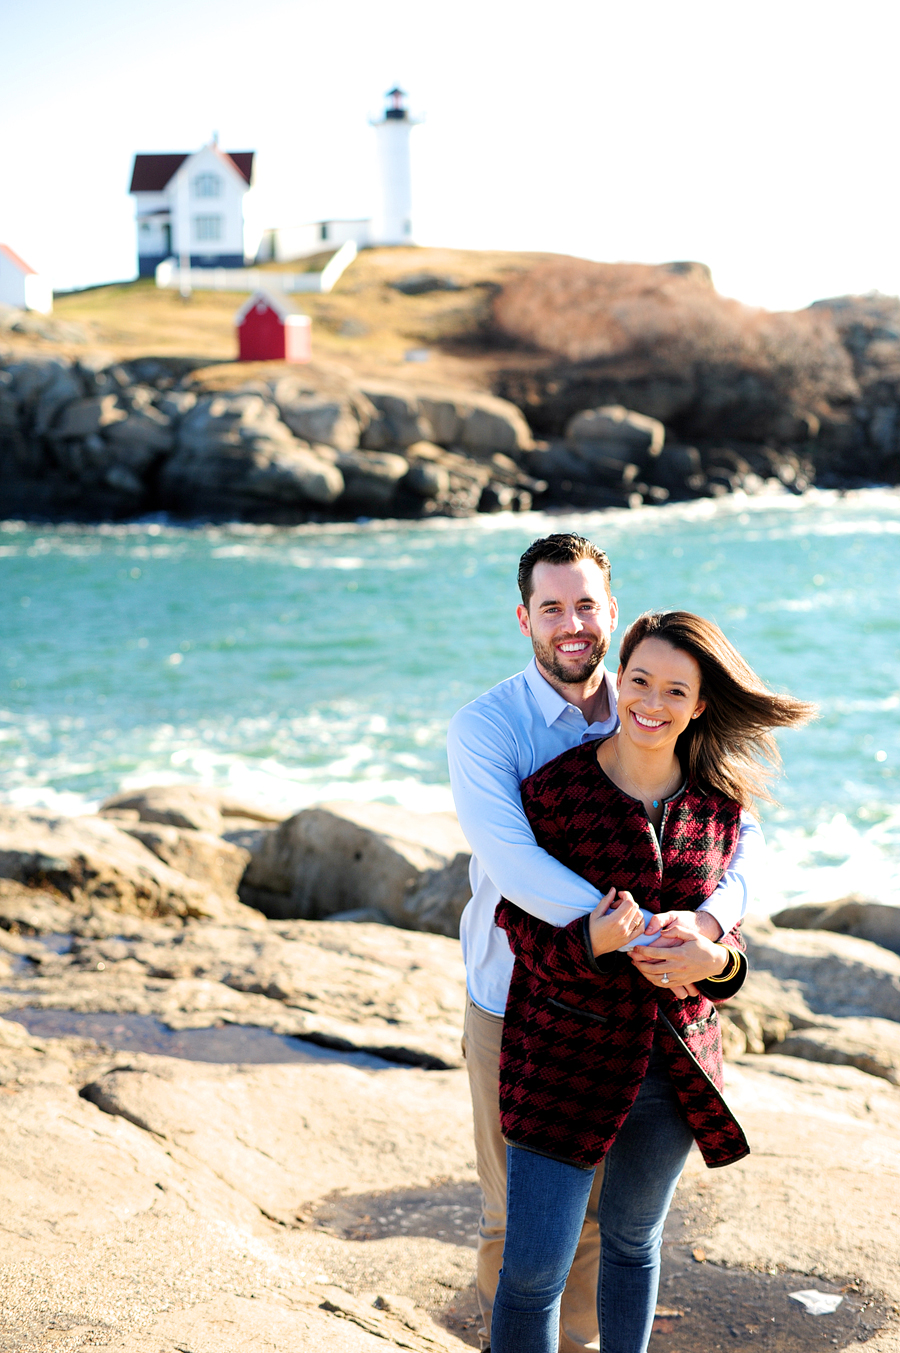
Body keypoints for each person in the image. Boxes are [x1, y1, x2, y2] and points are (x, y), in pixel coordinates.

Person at [447, 534, 765, 1353]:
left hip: (663, 1043)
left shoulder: (674, 737)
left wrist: (708, 935)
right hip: (521, 1008)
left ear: (611, 615)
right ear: (525, 618)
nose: (571, 622)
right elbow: (516, 871)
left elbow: (749, 850)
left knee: (626, 1238)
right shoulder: (496, 735)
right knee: (519, 1236)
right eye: (551, 606)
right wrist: (623, 929)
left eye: (586, 604)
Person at [489, 609, 815, 1353]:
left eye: (676, 689)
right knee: (535, 1269)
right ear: (618, 681)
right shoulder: (554, 794)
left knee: (635, 1243)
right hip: (561, 1064)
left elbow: (726, 953)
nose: (652, 702)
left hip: (676, 1067)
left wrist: (716, 960)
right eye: (639, 681)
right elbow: (522, 933)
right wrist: (593, 941)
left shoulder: (718, 808)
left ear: (700, 703)